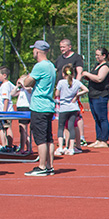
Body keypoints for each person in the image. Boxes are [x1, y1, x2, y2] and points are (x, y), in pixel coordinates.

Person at [20, 40, 57, 176]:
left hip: (39, 106)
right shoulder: (51, 66)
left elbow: (28, 82)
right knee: (48, 138)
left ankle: (42, 167)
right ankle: (49, 165)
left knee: (41, 138)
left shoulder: (39, 66)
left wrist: (24, 79)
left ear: (37, 51)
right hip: (48, 105)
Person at [54, 39, 86, 149]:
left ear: (69, 47)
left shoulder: (76, 58)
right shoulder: (59, 59)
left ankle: (80, 138)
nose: (62, 49)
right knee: (63, 119)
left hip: (72, 92)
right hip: (62, 93)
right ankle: (65, 140)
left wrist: (75, 89)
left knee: (76, 117)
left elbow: (79, 73)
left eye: (63, 47)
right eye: (60, 47)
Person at [54, 64, 88, 156]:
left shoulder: (61, 82)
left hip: (64, 108)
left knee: (61, 127)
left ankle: (60, 147)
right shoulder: (76, 82)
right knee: (71, 127)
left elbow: (57, 94)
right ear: (73, 73)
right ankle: (71, 148)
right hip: (73, 107)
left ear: (63, 73)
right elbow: (86, 90)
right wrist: (77, 95)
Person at [80, 47, 109, 147]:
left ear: (104, 56)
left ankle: (104, 140)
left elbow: (99, 78)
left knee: (102, 118)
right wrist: (88, 77)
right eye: (96, 55)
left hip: (100, 95)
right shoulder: (97, 66)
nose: (96, 57)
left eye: (98, 55)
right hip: (93, 95)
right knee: (96, 118)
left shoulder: (105, 66)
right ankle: (99, 139)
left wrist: (87, 73)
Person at [11, 79, 32, 155]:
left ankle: (23, 148)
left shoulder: (29, 88)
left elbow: (29, 90)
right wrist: (17, 86)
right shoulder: (21, 90)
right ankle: (28, 147)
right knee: (22, 130)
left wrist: (23, 83)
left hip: (25, 108)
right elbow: (12, 94)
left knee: (23, 129)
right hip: (20, 108)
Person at [0, 66, 15, 151]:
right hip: (6, 111)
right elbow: (15, 92)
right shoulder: (8, 84)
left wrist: (4, 112)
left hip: (5, 112)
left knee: (6, 128)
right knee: (5, 128)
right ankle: (7, 145)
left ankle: (7, 146)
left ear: (4, 75)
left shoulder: (5, 85)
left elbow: (6, 99)